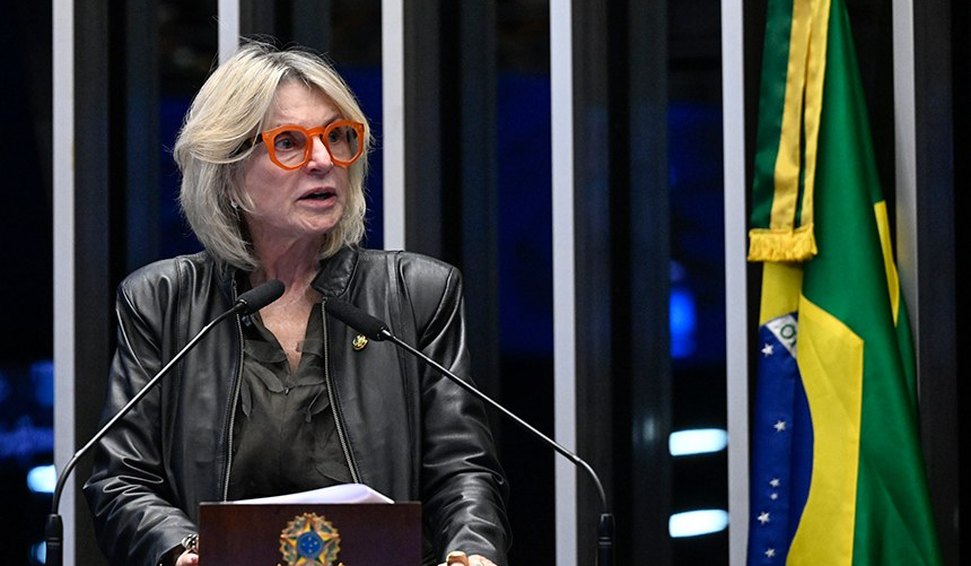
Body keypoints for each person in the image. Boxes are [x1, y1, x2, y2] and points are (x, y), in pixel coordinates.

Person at [83, 39, 510, 566]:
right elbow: (121, 479)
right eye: (289, 142)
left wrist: (471, 551)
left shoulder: (416, 293)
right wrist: (182, 550)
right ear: (228, 170)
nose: (323, 160)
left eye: (337, 136)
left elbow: (462, 469)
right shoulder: (161, 301)